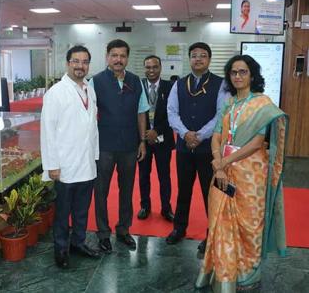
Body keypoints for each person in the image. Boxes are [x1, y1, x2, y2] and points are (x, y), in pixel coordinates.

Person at [196, 54, 288, 292]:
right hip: (223, 170)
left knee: (250, 224)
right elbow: (217, 135)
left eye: (243, 72)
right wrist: (218, 162)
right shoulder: (228, 104)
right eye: (233, 72)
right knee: (221, 220)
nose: (237, 76)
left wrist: (223, 161)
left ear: (252, 75)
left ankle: (247, 272)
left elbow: (258, 142)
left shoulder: (262, 104)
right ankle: (225, 271)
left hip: (250, 174)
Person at [166, 42, 230, 257]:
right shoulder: (179, 84)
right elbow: (172, 112)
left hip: (208, 150)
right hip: (184, 148)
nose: (198, 59)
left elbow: (221, 115)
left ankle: (212, 232)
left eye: (203, 56)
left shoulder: (221, 85)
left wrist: (200, 135)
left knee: (209, 193)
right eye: (194, 56)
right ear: (189, 59)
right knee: (183, 190)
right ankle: (179, 228)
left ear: (209, 60)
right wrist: (185, 134)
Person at [40, 45, 100, 269]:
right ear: (67, 63)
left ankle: (79, 243)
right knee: (63, 213)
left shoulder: (89, 90)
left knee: (82, 210)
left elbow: (93, 127)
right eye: (76, 61)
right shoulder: (56, 93)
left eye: (84, 62)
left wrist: (94, 155)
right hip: (64, 165)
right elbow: (48, 131)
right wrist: (52, 165)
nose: (80, 66)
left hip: (86, 163)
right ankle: (61, 249)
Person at [90, 39, 149, 252]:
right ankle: (103, 233)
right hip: (104, 146)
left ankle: (123, 230)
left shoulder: (135, 81)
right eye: (114, 55)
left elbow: (141, 112)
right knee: (101, 191)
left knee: (126, 190)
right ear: (107, 57)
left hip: (129, 146)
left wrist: (142, 141)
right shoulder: (95, 81)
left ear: (127, 58)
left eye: (122, 56)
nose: (118, 59)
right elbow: (87, 115)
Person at [137, 55, 175, 222]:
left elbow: (174, 113)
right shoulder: (138, 87)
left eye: (154, 67)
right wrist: (145, 134)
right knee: (143, 175)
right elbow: (135, 113)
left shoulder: (170, 87)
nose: (151, 70)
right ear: (144, 68)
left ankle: (166, 208)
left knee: (164, 176)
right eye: (148, 67)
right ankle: (145, 206)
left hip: (162, 139)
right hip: (142, 141)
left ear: (160, 68)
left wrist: (157, 130)